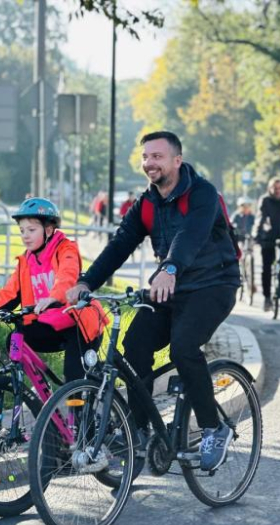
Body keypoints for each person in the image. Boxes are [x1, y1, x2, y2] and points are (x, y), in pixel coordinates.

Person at [65, 131, 241, 474]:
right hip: (169, 288)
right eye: (146, 157)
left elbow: (191, 235)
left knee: (184, 347)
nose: (150, 163)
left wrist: (170, 267)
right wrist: (87, 282)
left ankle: (212, 428)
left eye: (157, 156)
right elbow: (119, 245)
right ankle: (140, 432)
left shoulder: (202, 194)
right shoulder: (146, 203)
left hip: (213, 285)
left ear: (177, 160)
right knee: (134, 345)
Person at [0, 197, 106, 383]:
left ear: (48, 230)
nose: (25, 235)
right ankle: (39, 391)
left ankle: (80, 409)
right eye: (22, 230)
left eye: (31, 230)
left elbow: (67, 275)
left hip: (80, 324)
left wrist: (53, 297)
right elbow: (9, 294)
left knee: (74, 377)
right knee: (15, 339)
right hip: (53, 324)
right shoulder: (26, 261)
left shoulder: (65, 249)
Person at [253, 177, 280, 312]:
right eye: (274, 188)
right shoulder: (265, 200)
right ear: (269, 189)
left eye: (279, 188)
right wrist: (257, 234)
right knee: (267, 267)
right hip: (268, 236)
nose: (277, 191)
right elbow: (260, 218)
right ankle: (267, 298)